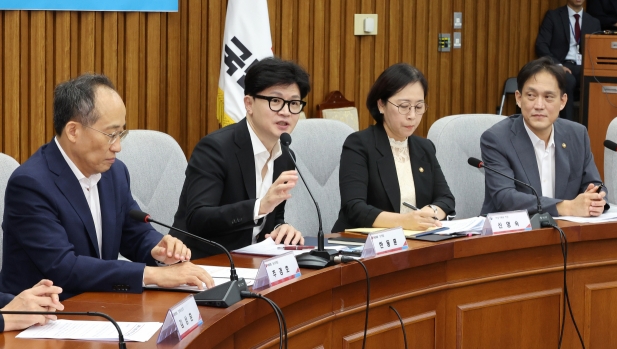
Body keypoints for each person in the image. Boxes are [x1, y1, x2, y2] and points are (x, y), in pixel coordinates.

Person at [0, 74, 214, 300]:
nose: (118, 147)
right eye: (111, 135)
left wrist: (158, 249)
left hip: (100, 305)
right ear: (73, 131)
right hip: (43, 317)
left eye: (121, 133)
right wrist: (152, 275)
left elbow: (134, 233)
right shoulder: (31, 185)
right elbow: (64, 267)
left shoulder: (114, 172)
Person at [171, 57, 309, 258]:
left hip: (250, 262)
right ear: (249, 104)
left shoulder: (285, 155)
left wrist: (282, 228)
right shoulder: (215, 148)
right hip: (201, 263)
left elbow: (274, 215)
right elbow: (198, 218)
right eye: (276, 101)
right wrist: (258, 207)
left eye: (294, 103)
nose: (286, 112)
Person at [332, 63, 455, 233]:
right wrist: (404, 221)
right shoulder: (359, 144)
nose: (412, 115)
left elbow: (446, 199)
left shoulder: (424, 147)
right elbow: (354, 208)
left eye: (419, 107)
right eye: (404, 106)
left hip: (414, 242)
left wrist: (429, 213)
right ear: (381, 105)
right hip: (363, 245)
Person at [480, 57, 607, 217]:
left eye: (548, 97)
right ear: (519, 98)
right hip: (510, 235)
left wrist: (594, 199)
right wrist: (567, 207)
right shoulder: (496, 139)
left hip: (564, 233)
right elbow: (505, 199)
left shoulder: (576, 134)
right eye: (531, 96)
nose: (539, 105)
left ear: (563, 101)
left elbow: (594, 183)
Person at [535, 0, 601, 122]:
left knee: (598, 81)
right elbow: (541, 45)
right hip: (562, 65)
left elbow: (598, 50)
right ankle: (567, 125)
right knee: (567, 80)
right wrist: (557, 65)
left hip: (584, 66)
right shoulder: (553, 16)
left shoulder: (593, 22)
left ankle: (592, 126)